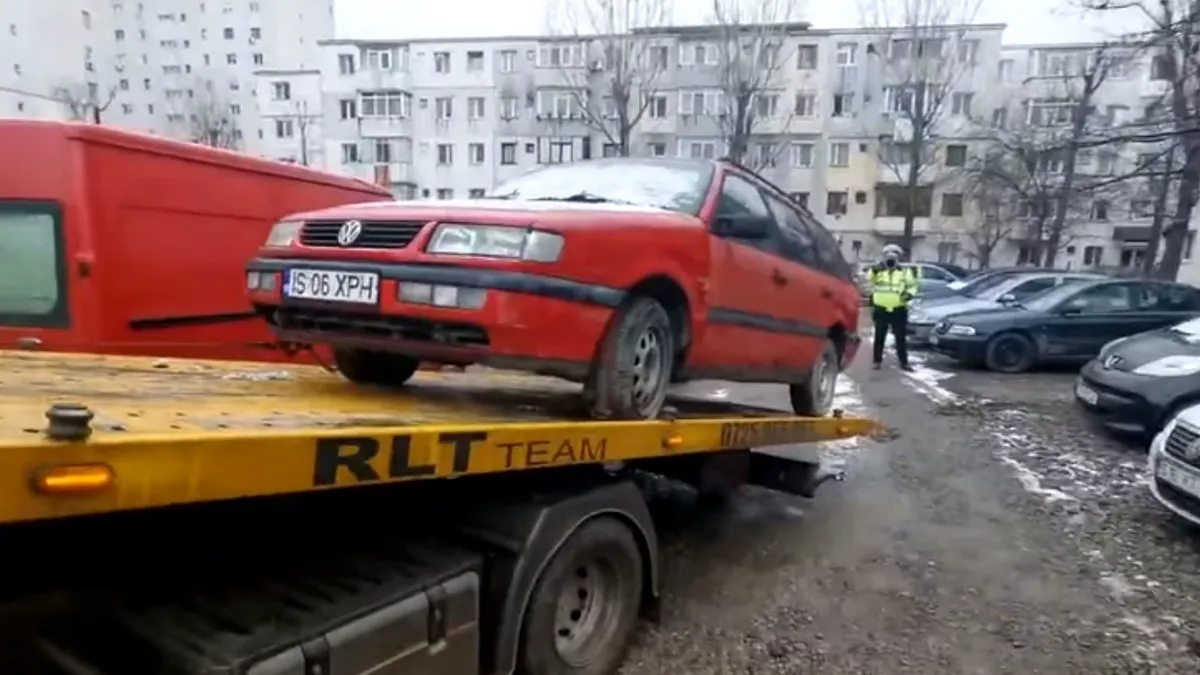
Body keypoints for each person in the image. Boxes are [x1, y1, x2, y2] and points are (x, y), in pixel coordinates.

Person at [869, 244, 919, 371]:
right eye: (888, 257)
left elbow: (912, 285)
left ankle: (904, 362)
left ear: (898, 259)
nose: (890, 260)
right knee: (879, 336)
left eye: (893, 258)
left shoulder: (904, 271)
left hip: (899, 308)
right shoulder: (877, 270)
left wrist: (909, 294)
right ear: (884, 258)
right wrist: (874, 271)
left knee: (900, 338)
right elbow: (868, 281)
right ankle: (877, 361)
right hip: (881, 308)